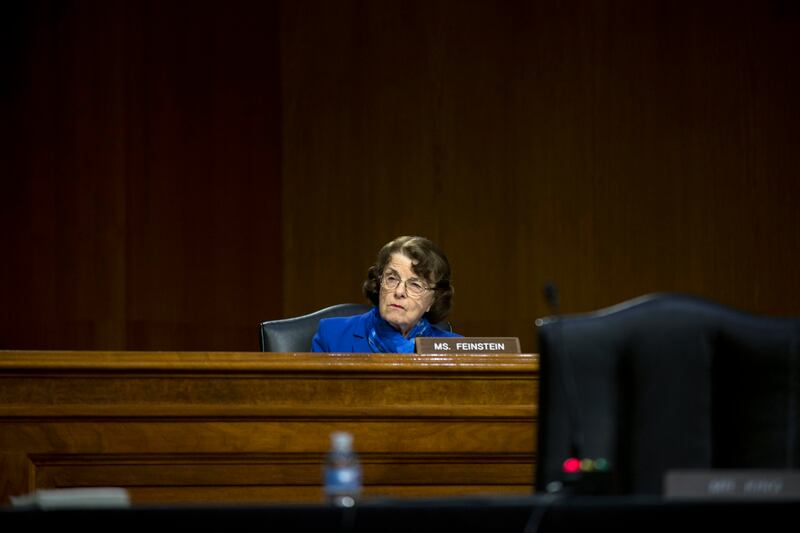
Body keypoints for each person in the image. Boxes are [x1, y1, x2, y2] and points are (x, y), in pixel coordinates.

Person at [312, 235, 461, 353]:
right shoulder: (332, 336)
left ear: (434, 300)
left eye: (415, 285)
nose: (399, 292)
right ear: (378, 282)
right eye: (391, 278)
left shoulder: (455, 350)